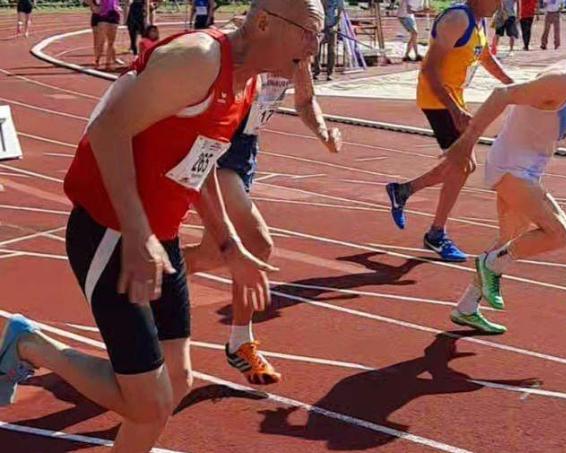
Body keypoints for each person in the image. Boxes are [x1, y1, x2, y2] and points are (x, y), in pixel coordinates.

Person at [0, 2, 324, 452]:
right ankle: (29, 345)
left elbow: (201, 163)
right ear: (265, 22)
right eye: (309, 32)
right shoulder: (198, 59)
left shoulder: (245, 83)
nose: (315, 46)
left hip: (158, 234)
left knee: (175, 381)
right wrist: (136, 233)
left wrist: (228, 245)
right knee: (149, 404)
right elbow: (109, 130)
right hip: (109, 230)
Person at [442, 25, 566, 333]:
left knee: (506, 243)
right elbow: (502, 95)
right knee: (560, 233)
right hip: (509, 166)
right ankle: (488, 265)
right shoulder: (563, 81)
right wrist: (467, 141)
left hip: (527, 170)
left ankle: (467, 307)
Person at [182, 27, 342, 385]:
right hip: (216, 155)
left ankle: (153, 276)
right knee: (257, 243)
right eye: (310, 32)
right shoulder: (249, 48)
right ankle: (241, 341)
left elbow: (304, 101)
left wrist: (323, 133)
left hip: (244, 157)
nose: (316, 41)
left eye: (318, 33)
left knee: (211, 256)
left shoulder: (297, 57)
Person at [385, 0, 514, 263]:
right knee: (463, 165)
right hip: (437, 99)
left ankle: (404, 193)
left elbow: (485, 55)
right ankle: (435, 232)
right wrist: (454, 110)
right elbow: (430, 70)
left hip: (454, 97)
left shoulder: (478, 21)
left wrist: (514, 85)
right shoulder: (457, 20)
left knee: (462, 165)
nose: (500, 3)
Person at [313, 0, 344, 81]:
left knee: (331, 50)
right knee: (316, 49)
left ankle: (330, 73)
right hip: (320, 26)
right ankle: (316, 71)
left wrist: (335, 25)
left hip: (331, 26)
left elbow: (340, 12)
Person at [94, 0, 124, 69]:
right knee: (101, 41)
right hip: (104, 15)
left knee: (111, 42)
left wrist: (118, 7)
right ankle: (97, 60)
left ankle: (108, 63)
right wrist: (94, 7)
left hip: (114, 15)